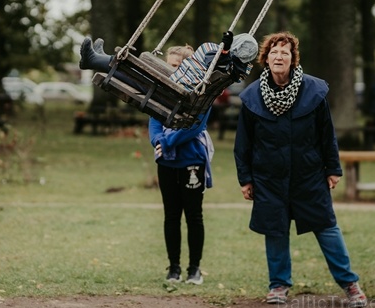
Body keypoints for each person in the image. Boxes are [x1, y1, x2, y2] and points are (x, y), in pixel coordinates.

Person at [233, 31, 367, 308]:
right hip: (268, 178)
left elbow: (326, 134)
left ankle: (350, 284)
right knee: (275, 230)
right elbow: (243, 142)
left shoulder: (313, 91)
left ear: (293, 59)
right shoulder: (252, 97)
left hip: (309, 176)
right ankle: (278, 286)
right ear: (265, 60)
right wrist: (245, 178)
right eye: (274, 52)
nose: (279, 56)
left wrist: (333, 169)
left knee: (327, 228)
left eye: (285, 52)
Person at [149, 44, 213, 285]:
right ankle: (173, 268)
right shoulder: (161, 92)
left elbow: (196, 126)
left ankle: (194, 269)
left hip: (192, 162)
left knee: (194, 216)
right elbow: (154, 122)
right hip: (166, 164)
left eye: (176, 66)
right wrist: (158, 141)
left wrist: (167, 142)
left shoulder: (202, 94)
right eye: (169, 66)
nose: (172, 71)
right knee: (171, 215)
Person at [79, 32, 258, 92]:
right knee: (141, 66)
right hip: (174, 87)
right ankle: (100, 58)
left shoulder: (226, 62)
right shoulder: (235, 68)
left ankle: (95, 60)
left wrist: (224, 49)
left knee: (136, 69)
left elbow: (216, 63)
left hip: (172, 90)